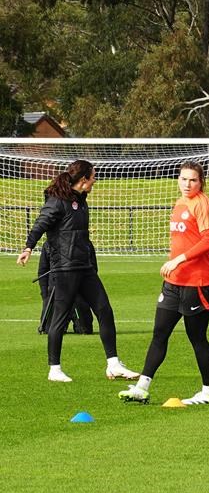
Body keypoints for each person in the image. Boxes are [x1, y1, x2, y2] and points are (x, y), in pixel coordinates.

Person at [16, 159, 138, 383]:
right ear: (84, 179)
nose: (95, 181)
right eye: (93, 177)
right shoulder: (57, 202)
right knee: (60, 319)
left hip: (84, 267)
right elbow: (40, 224)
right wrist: (28, 247)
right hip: (64, 269)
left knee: (104, 310)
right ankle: (54, 369)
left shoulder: (80, 200)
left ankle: (113, 364)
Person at [118, 162, 209, 405]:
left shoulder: (203, 204)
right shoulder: (179, 203)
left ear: (200, 182)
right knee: (159, 333)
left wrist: (179, 260)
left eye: (192, 180)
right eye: (183, 179)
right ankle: (142, 387)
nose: (187, 184)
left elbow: (208, 241)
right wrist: (174, 263)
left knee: (197, 338)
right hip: (173, 282)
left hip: (197, 282)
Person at [37, 240, 93, 335]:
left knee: (85, 329)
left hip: (78, 294)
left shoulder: (85, 243)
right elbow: (42, 272)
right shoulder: (48, 244)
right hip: (55, 294)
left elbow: (93, 269)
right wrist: (45, 296)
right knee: (50, 330)